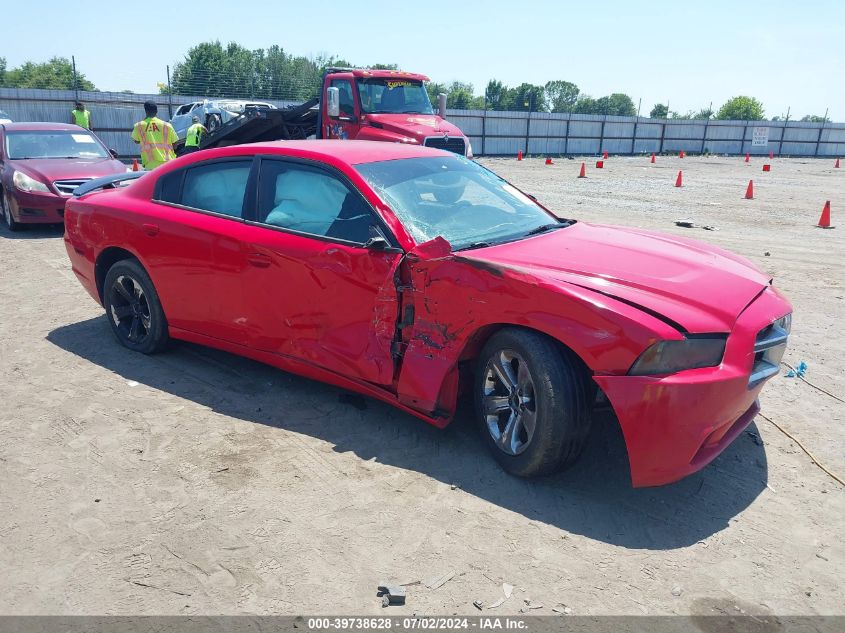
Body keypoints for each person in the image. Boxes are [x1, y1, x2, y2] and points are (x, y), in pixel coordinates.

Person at [131, 101, 178, 170]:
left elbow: (136, 141)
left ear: (145, 111)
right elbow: (175, 145)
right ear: (157, 111)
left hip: (150, 164)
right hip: (168, 163)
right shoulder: (167, 125)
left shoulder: (139, 126)